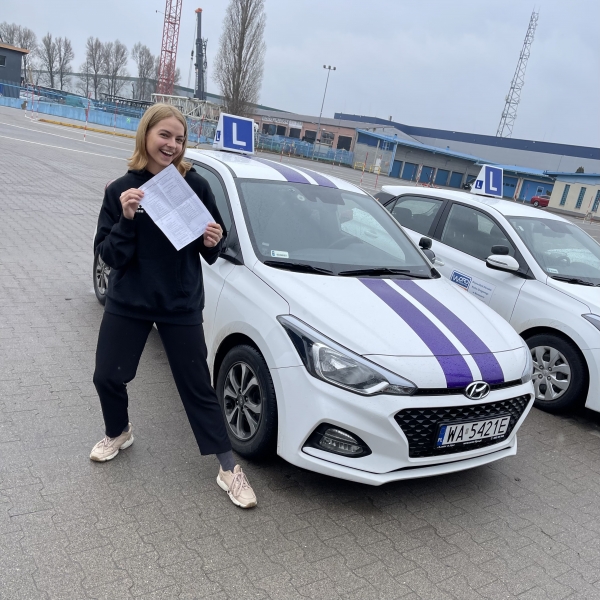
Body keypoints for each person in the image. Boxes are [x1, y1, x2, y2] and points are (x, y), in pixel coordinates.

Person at [90, 103, 257, 509]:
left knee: (197, 386)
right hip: (129, 299)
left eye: (179, 139)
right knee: (107, 376)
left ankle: (228, 467)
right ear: (146, 134)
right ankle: (119, 431)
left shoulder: (193, 185)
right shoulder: (121, 190)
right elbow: (109, 256)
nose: (172, 145)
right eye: (164, 135)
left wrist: (214, 240)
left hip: (179, 301)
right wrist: (127, 218)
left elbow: (212, 246)